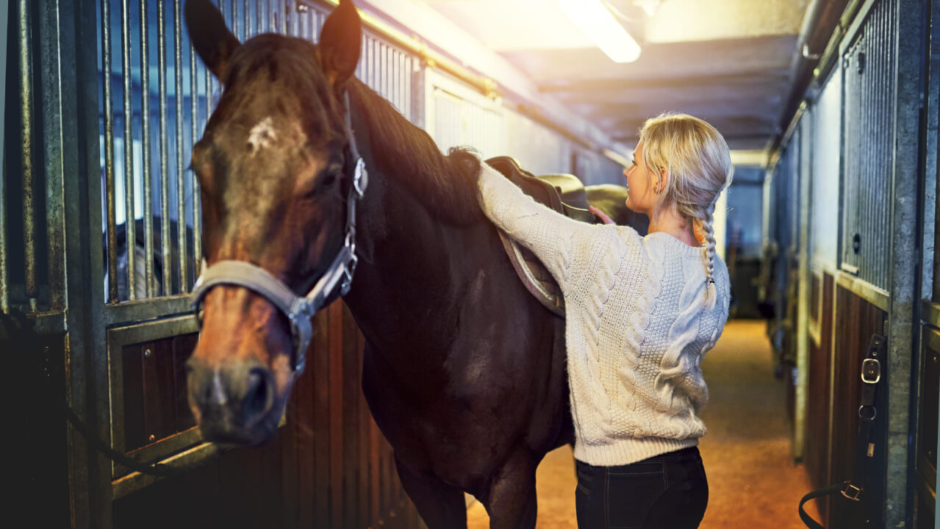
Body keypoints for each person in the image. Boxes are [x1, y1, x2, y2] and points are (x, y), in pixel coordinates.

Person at [476, 113, 732, 529]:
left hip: (621, 485)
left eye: (636, 163)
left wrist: (467, 161)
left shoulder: (608, 255)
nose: (626, 171)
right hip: (685, 476)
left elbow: (512, 210)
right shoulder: (713, 272)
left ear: (661, 179)